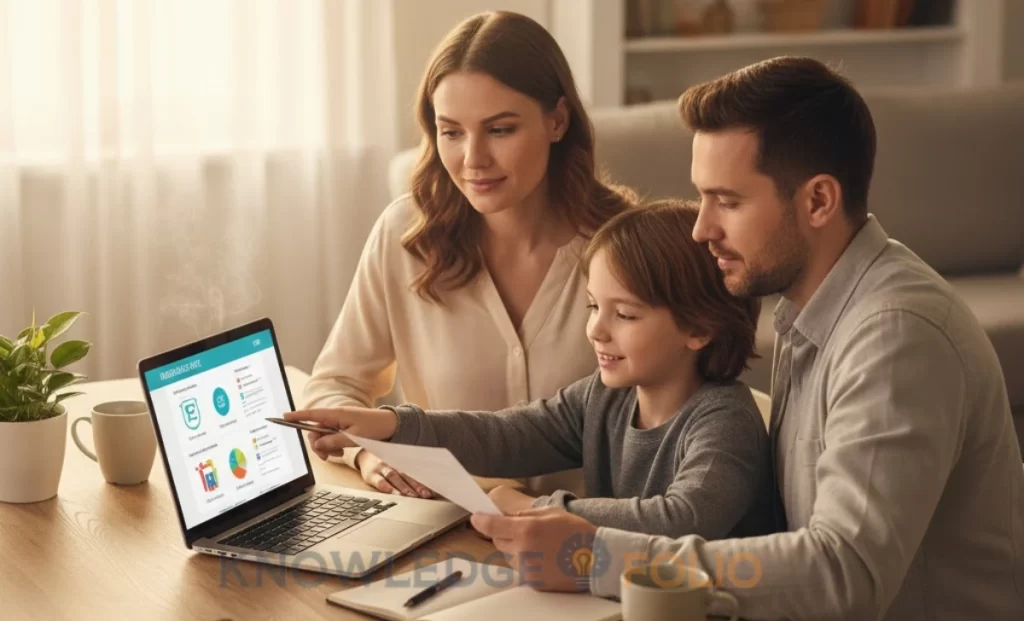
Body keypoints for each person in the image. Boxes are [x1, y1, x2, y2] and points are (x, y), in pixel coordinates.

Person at [466, 57, 1024, 621]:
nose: (701, 228)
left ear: (818, 201)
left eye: (728, 201)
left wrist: (593, 555)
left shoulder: (894, 336)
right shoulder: (811, 310)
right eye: (702, 197)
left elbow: (844, 572)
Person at [289, 199, 773, 540]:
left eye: (623, 315)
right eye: (591, 306)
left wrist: (531, 509)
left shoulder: (723, 421)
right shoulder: (606, 397)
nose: (596, 331)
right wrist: (391, 425)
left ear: (699, 329)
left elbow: (682, 519)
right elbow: (509, 434)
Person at [302, 11, 635, 498]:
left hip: (586, 542)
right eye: (452, 131)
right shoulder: (404, 237)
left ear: (557, 120)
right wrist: (369, 451)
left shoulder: (626, 245)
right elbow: (334, 386)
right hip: (445, 531)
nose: (472, 159)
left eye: (500, 130)